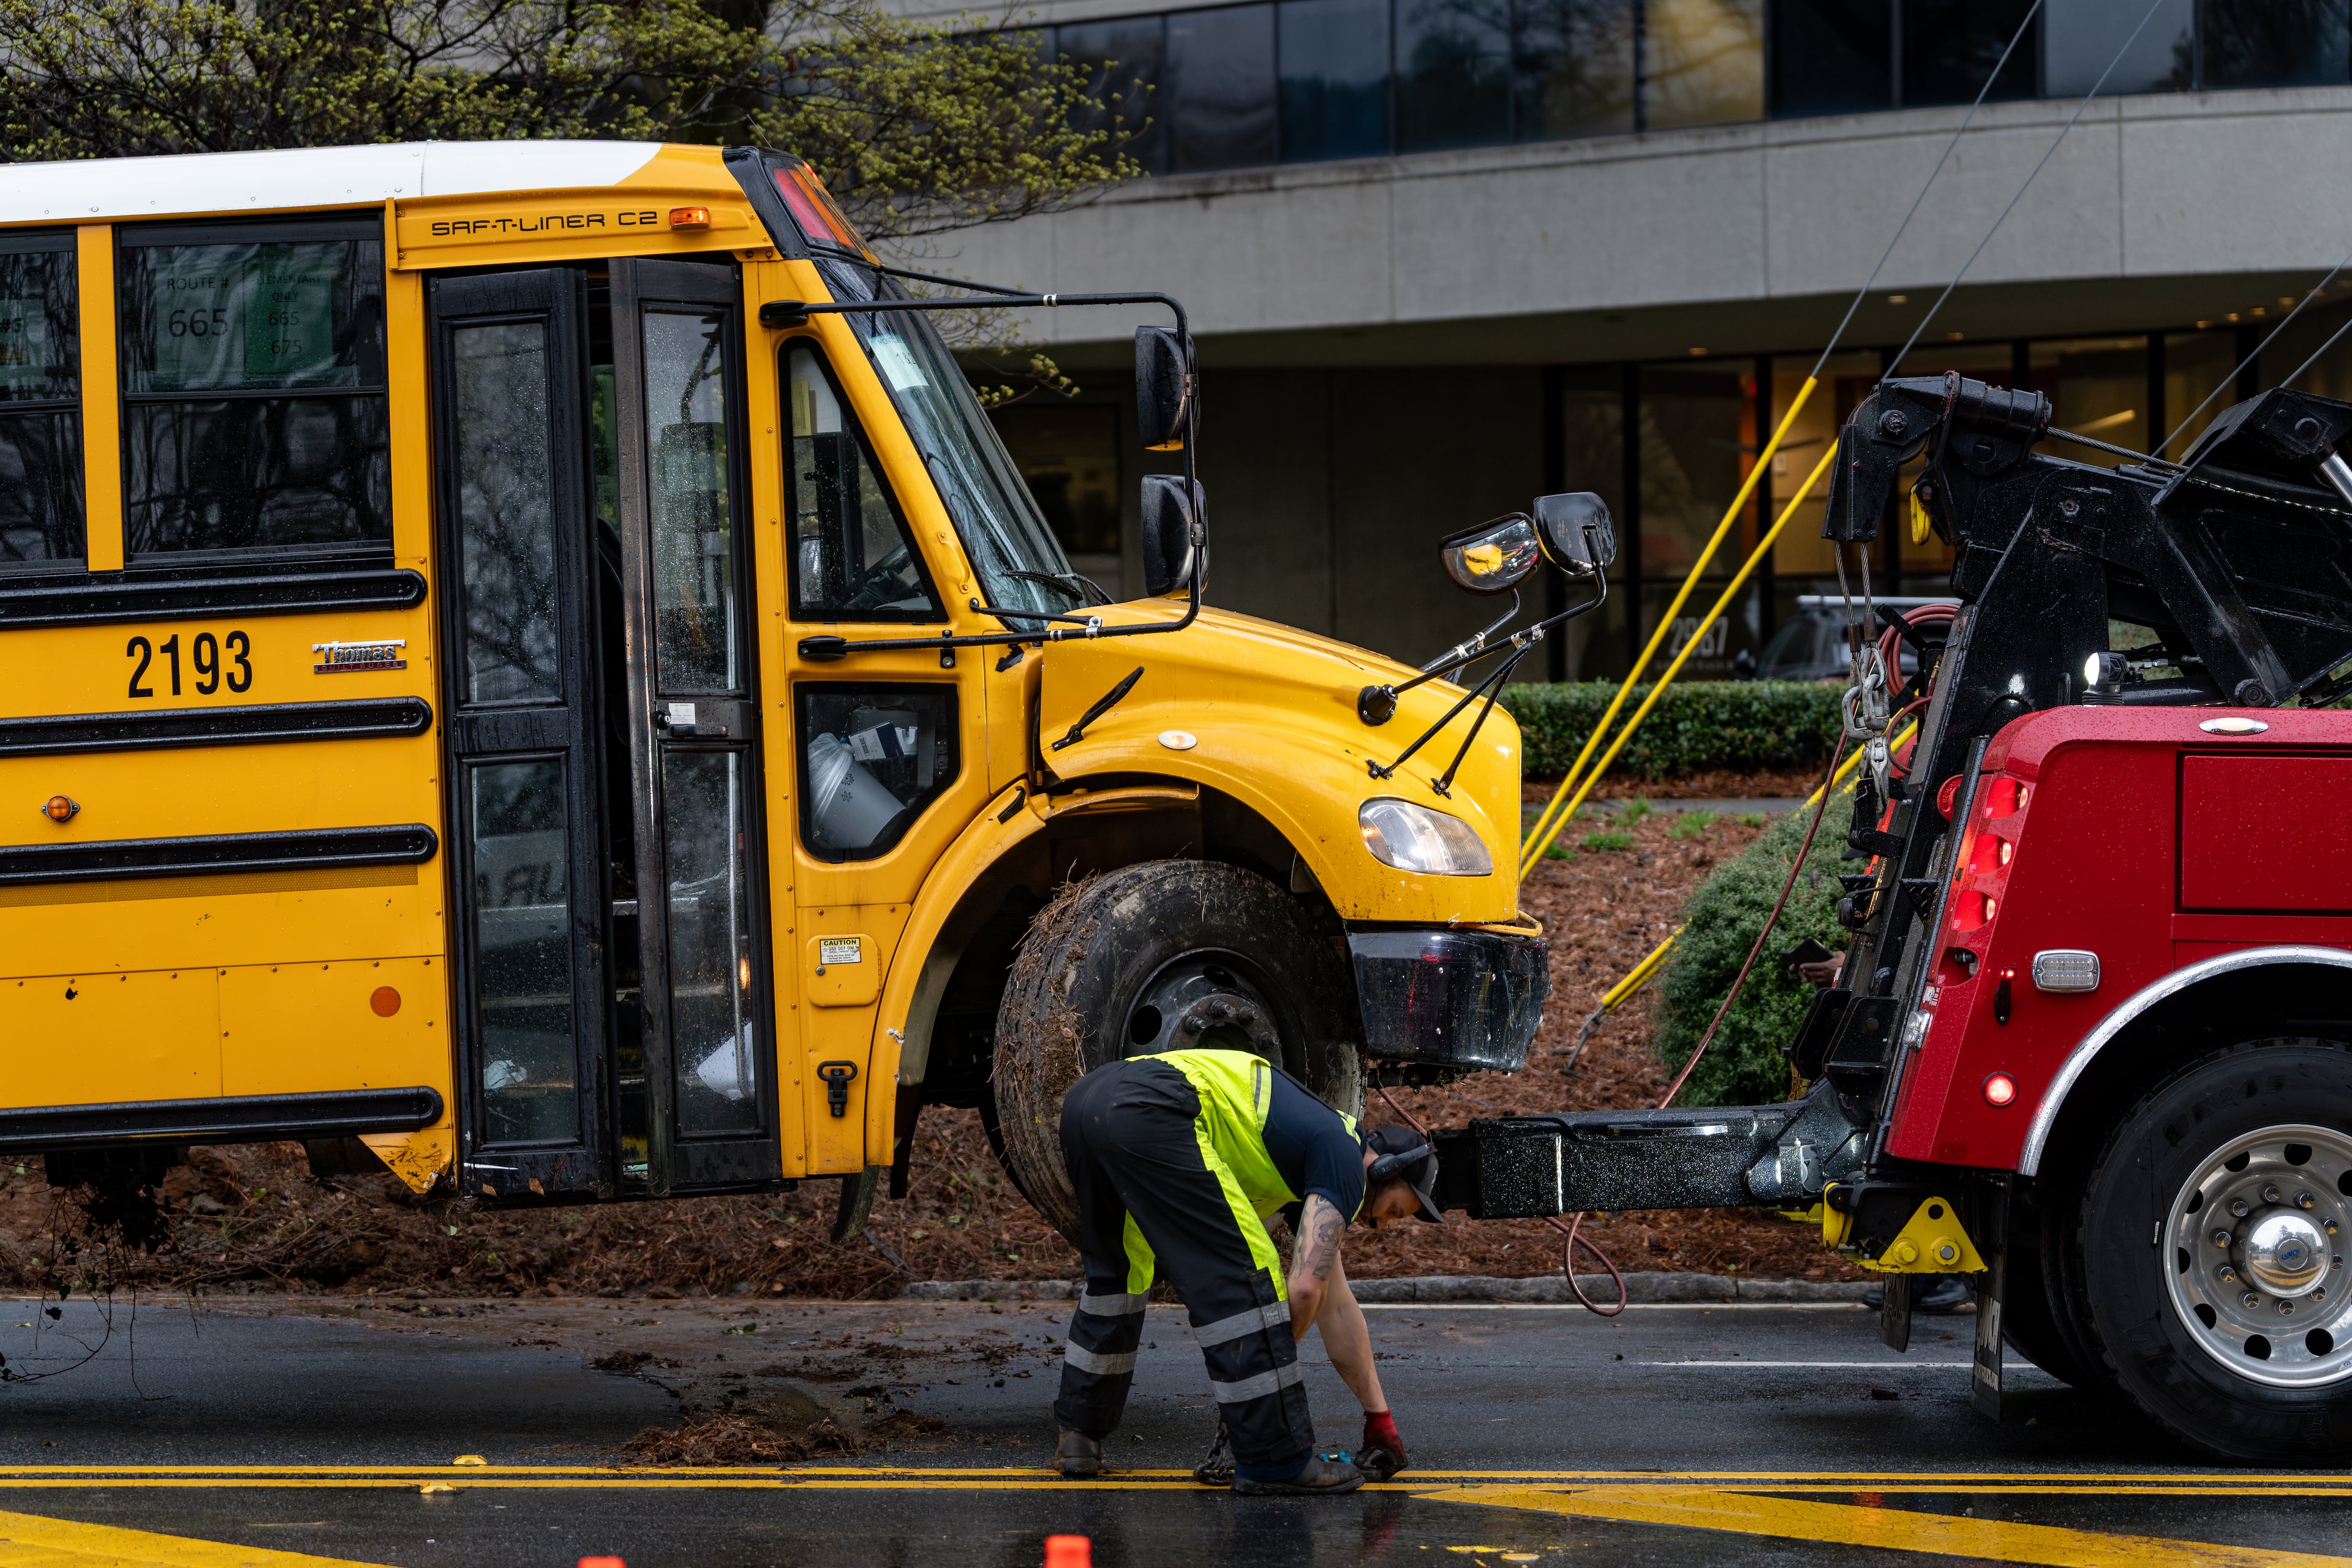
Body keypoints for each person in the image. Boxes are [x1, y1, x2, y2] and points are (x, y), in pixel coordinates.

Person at [1050, 1046, 1441, 1494]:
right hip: (1155, 1106)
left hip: (1090, 1103)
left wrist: (1379, 1418)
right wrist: (1264, 1371)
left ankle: (1079, 1435)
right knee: (1249, 1277)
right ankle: (1276, 1462)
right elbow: (1306, 1292)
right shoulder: (1343, 1156)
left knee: (1120, 1274)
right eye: (1392, 1210)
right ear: (1384, 1169)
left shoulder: (1311, 1160)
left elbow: (1335, 1306)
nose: (1377, 1225)